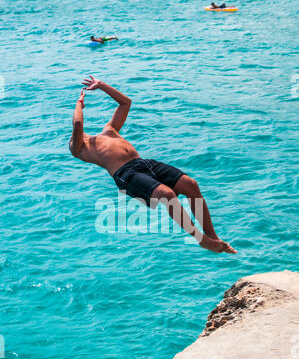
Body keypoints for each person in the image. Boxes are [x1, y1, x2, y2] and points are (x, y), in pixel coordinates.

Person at [69, 76, 237, 254]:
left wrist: (102, 85)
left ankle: (213, 237)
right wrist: (80, 103)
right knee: (167, 194)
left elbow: (125, 103)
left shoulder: (109, 131)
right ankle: (200, 239)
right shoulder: (78, 147)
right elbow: (78, 123)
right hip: (125, 174)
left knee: (190, 184)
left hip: (144, 163)